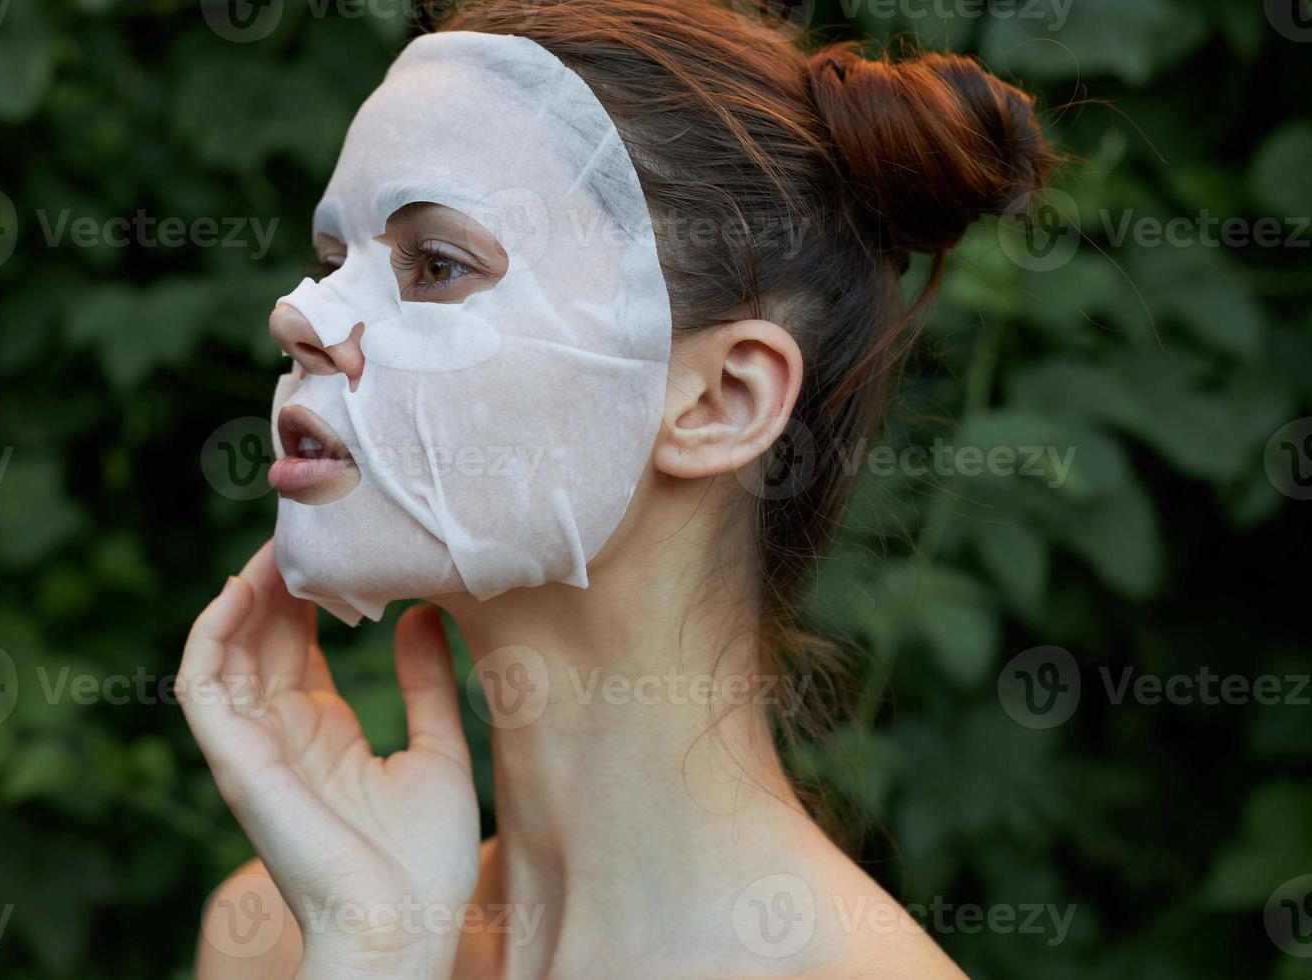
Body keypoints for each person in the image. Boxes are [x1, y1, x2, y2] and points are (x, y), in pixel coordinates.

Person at [181, 1, 1055, 976]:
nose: (296, 316)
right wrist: (373, 952)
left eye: (435, 264)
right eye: (332, 262)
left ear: (720, 400)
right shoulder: (291, 931)